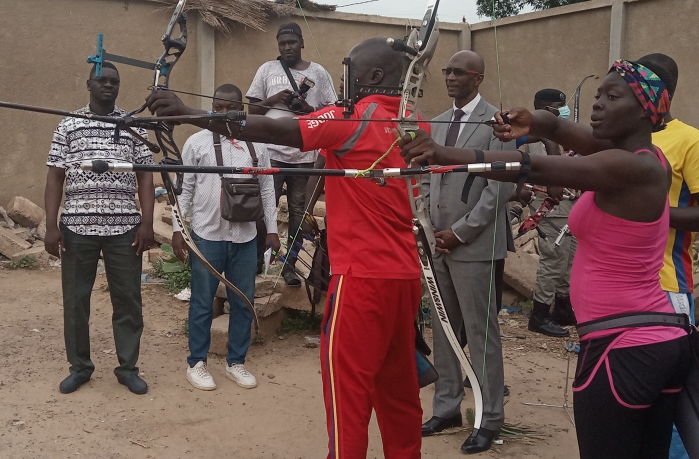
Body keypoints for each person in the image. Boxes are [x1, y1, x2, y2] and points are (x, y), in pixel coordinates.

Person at [401, 59, 699, 459]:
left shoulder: (630, 164)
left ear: (646, 110)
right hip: (640, 338)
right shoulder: (628, 152)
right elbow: (559, 128)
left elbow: (531, 164)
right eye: (598, 95)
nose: (597, 104)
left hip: (626, 345)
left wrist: (444, 152)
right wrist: (533, 120)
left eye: (612, 97)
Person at [149, 37, 428, 459]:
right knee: (398, 388)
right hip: (406, 278)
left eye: (349, 70)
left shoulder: (350, 118)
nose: (342, 79)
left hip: (361, 282)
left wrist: (191, 114)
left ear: (373, 76)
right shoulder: (416, 122)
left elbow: (279, 129)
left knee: (347, 391)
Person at [420, 50, 515, 453]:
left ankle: (489, 416)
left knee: (480, 334)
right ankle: (447, 407)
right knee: (443, 329)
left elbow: (500, 188)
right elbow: (426, 177)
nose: (450, 77)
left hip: (474, 246)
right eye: (447, 71)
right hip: (437, 243)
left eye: (459, 72)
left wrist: (460, 232)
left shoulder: (498, 124)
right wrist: (428, 228)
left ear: (477, 77)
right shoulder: (438, 123)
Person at [43, 59, 156, 396]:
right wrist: (51, 225)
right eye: (102, 80)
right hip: (77, 227)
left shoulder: (133, 126)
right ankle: (80, 367)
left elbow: (146, 177)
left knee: (128, 300)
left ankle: (127, 368)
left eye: (114, 82)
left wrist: (147, 223)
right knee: (76, 300)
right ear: (88, 84)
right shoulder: (68, 126)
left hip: (124, 228)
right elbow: (54, 176)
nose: (108, 85)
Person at [637, 53, 699, 459]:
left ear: (663, 95)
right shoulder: (618, 140)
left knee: (671, 400)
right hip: (616, 292)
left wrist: (647, 208)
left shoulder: (695, 142)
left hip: (666, 290)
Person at [171, 84, 280, 391]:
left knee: (242, 302)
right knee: (202, 302)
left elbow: (268, 189)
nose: (222, 113)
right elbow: (185, 188)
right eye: (217, 107)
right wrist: (179, 229)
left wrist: (271, 229)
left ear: (240, 108)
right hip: (206, 234)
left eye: (229, 107)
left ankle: (236, 362)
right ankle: (197, 363)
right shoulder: (196, 142)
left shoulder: (258, 145)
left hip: (245, 237)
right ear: (211, 109)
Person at [246, 22, 337, 286]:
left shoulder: (318, 72)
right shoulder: (267, 69)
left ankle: (289, 265)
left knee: (300, 212)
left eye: (291, 42)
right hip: (270, 153)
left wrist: (308, 109)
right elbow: (252, 111)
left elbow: (332, 114)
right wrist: (273, 100)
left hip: (305, 155)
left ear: (301, 43)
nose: (287, 47)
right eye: (282, 43)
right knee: (265, 209)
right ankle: (259, 261)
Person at [522, 88, 578, 338]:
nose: (563, 111)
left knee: (570, 258)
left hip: (571, 204)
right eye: (558, 107)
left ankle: (564, 308)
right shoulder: (533, 136)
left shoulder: (560, 132)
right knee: (554, 259)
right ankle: (540, 313)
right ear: (544, 109)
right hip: (549, 205)